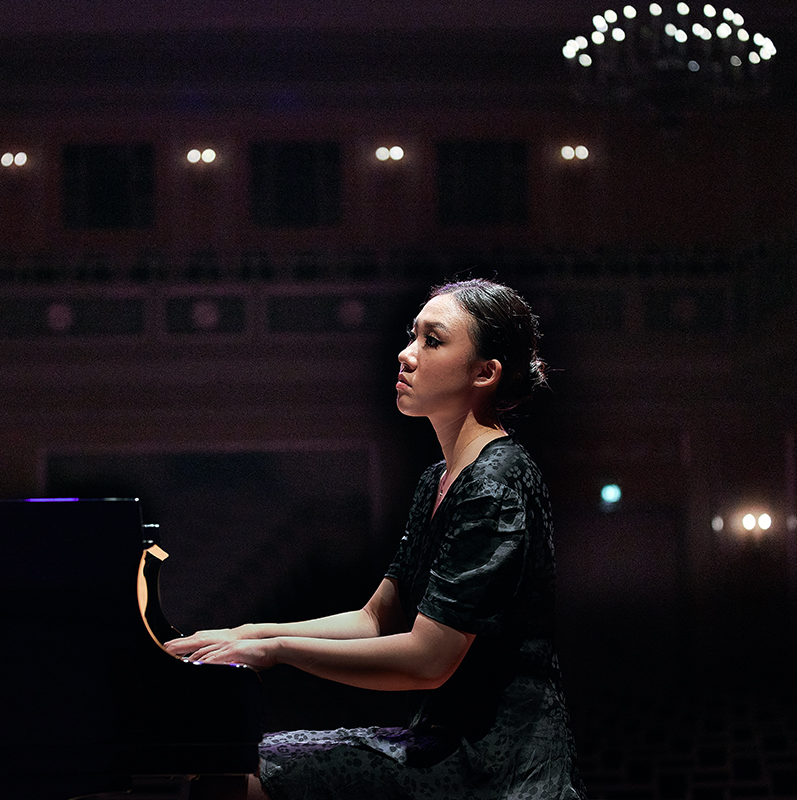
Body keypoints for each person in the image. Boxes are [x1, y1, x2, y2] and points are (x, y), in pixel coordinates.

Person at [165, 278, 586, 800]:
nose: (406, 354)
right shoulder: (439, 478)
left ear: (485, 372)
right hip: (443, 742)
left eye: (432, 341)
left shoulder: (494, 485)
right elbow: (376, 619)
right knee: (225, 763)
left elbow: (429, 662)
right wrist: (247, 630)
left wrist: (275, 650)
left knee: (235, 775)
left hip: (496, 765)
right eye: (412, 336)